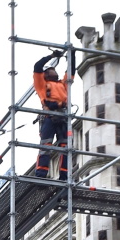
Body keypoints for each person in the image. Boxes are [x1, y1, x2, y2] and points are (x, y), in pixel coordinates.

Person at [33, 50, 73, 178]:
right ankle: (41, 174)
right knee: (46, 146)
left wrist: (72, 55)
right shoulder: (42, 84)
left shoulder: (62, 84)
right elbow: (37, 67)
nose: (53, 70)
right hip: (49, 117)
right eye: (50, 69)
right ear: (45, 74)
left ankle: (64, 176)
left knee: (66, 147)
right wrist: (51, 56)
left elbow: (71, 71)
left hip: (63, 118)